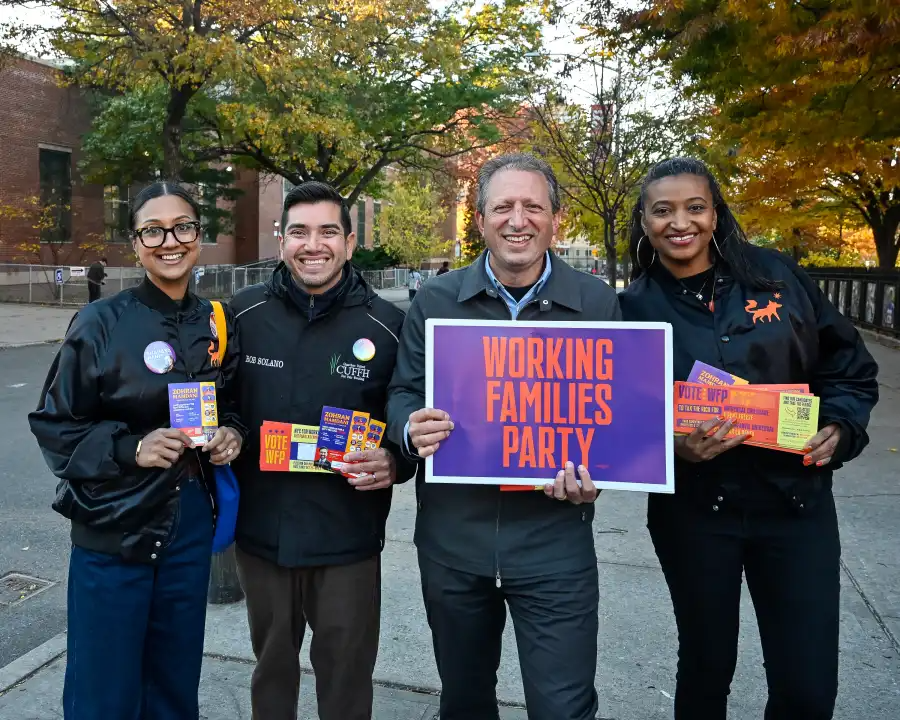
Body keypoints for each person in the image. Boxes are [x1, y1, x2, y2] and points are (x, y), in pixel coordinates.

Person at [618, 157, 880, 720]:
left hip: (796, 505)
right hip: (694, 513)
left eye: (695, 207)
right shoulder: (630, 309)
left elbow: (850, 369)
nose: (679, 222)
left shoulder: (777, 277)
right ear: (644, 221)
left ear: (716, 213)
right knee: (706, 669)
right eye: (662, 211)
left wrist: (839, 426)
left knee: (807, 686)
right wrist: (673, 446)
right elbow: (619, 417)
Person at [386, 152, 622, 720]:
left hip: (555, 544)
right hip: (453, 545)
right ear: (480, 218)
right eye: (503, 207)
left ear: (555, 218)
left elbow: (617, 418)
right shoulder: (437, 300)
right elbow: (402, 394)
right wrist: (408, 428)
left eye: (532, 206)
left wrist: (601, 476)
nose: (518, 219)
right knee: (465, 703)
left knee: (563, 707)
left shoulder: (597, 304)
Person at [28, 182, 246, 719]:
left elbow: (233, 405)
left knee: (174, 683)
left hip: (189, 523)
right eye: (153, 229)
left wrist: (231, 434)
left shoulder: (217, 322)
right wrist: (130, 447)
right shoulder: (101, 322)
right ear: (136, 241)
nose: (169, 240)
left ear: (199, 234)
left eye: (182, 227)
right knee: (104, 690)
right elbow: (55, 424)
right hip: (114, 525)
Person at [228, 181, 416, 720]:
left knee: (347, 678)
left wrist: (394, 459)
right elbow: (220, 406)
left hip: (347, 539)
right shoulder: (240, 315)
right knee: (271, 670)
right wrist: (228, 433)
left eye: (328, 231)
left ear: (350, 242)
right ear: (280, 239)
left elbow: (405, 416)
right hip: (262, 536)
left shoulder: (389, 326)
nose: (314, 245)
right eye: (300, 232)